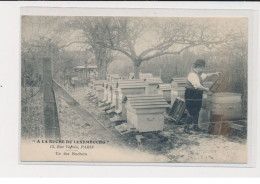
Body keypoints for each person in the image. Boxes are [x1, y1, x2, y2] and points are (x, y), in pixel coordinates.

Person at [184, 59, 220, 134]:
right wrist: (205, 89)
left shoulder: (200, 74)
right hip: (191, 94)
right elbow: (198, 86)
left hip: (197, 94)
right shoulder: (192, 75)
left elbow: (206, 75)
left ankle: (195, 127)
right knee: (191, 110)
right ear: (197, 67)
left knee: (197, 109)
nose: (203, 69)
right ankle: (186, 128)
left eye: (204, 68)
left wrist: (215, 73)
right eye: (202, 68)